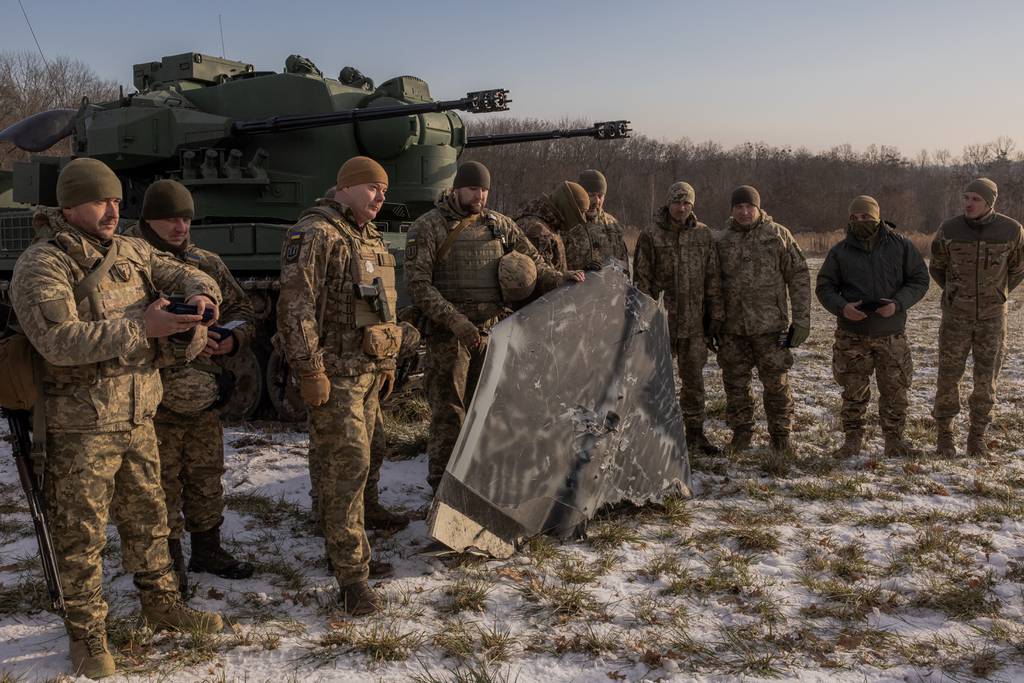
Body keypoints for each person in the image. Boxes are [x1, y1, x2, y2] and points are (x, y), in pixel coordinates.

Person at [10, 158, 224, 679]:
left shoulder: (131, 250)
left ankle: (162, 604)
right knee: (80, 538)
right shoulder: (44, 264)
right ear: (68, 206)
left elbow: (185, 269)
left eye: (116, 201)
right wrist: (141, 328)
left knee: (150, 519)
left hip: (138, 415)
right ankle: (87, 635)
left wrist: (203, 294)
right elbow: (58, 342)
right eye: (99, 201)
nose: (112, 210)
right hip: (78, 428)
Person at [405, 161, 583, 493]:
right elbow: (418, 285)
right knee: (449, 414)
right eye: (473, 188)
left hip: (490, 332)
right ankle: (443, 488)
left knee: (487, 410)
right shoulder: (428, 227)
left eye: (485, 189)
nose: (480, 195)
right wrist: (455, 321)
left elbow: (535, 262)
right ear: (457, 189)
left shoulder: (499, 224)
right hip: (450, 338)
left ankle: (477, 480)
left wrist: (560, 279)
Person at [276, 156, 405, 615]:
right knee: (348, 464)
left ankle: (342, 540)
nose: (380, 197)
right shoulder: (316, 233)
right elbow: (296, 307)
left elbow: (382, 307)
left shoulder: (368, 237)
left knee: (363, 457)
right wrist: (310, 370)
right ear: (345, 187)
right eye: (372, 187)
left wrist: (387, 362)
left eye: (384, 191)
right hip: (335, 374)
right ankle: (352, 578)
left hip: (367, 371)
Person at [127, 179, 256, 594]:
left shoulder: (206, 262)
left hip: (203, 392)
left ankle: (207, 549)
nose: (180, 227)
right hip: (152, 396)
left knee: (205, 474)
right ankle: (167, 564)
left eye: (185, 218)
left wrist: (233, 338)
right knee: (157, 484)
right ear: (148, 219)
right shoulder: (129, 260)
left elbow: (244, 310)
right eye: (169, 218)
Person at [815, 195, 929, 458]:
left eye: (866, 217)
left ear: (877, 217)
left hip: (891, 334)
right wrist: (843, 307)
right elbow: (824, 286)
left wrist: (898, 304)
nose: (860, 221)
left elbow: (919, 280)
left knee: (895, 391)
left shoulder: (901, 246)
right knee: (852, 391)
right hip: (851, 335)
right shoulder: (840, 252)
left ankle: (894, 441)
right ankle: (852, 440)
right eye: (854, 218)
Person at [929, 177, 1024, 457]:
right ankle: (945, 437)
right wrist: (956, 293)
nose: (969, 204)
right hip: (955, 317)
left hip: (992, 319)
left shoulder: (1012, 230)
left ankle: (977, 438)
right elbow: (937, 266)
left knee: (986, 379)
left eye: (976, 199)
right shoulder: (949, 229)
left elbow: (1018, 269)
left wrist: (996, 294)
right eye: (966, 198)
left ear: (989, 203)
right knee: (948, 377)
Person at [716, 185, 810, 457]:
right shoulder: (721, 240)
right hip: (733, 329)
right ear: (732, 210)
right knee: (735, 384)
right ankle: (741, 433)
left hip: (771, 328)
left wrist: (802, 320)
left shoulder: (778, 235)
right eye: (739, 207)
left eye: (750, 207)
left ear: (758, 208)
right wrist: (713, 321)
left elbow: (799, 277)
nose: (744, 212)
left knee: (776, 384)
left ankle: (781, 437)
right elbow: (712, 283)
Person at [633, 181, 723, 454]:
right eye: (676, 202)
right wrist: (646, 318)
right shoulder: (651, 235)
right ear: (668, 203)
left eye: (686, 203)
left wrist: (715, 315)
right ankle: (654, 436)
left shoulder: (703, 235)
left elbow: (712, 278)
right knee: (656, 381)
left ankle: (695, 435)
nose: (681, 208)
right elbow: (642, 279)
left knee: (694, 381)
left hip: (694, 324)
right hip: (661, 323)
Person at [515, 181, 591, 270]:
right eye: (580, 214)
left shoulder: (551, 225)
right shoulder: (537, 230)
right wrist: (566, 276)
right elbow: (540, 274)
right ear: (567, 208)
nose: (577, 222)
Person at [563, 169, 628, 271]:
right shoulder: (567, 223)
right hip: (575, 280)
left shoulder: (613, 226)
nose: (596, 201)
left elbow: (623, 267)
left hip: (607, 281)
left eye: (600, 196)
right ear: (580, 194)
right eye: (591, 195)